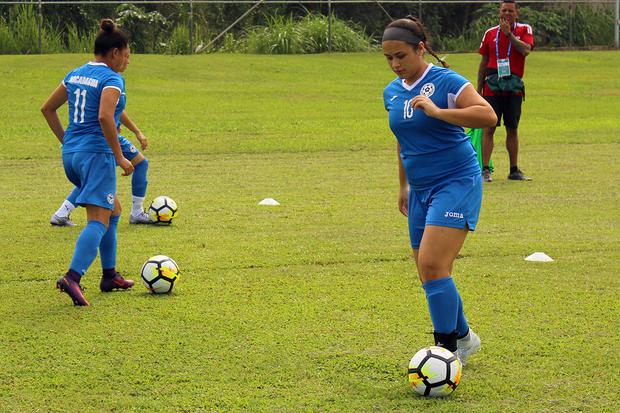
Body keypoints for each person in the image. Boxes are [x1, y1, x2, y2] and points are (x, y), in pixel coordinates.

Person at [382, 16, 497, 364]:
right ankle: (464, 337)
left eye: (401, 55)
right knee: (427, 270)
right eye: (388, 58)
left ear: (420, 49)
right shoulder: (391, 92)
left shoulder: (446, 81)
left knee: (433, 264)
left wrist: (438, 111)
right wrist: (403, 185)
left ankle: (445, 351)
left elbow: (487, 115)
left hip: (456, 181)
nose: (395, 64)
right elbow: (403, 141)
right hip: (419, 189)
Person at [41, 19, 136, 306]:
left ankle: (110, 275)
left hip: (72, 156)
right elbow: (106, 117)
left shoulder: (76, 74)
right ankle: (73, 276)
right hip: (97, 155)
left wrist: (68, 143)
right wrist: (120, 156)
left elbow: (47, 109)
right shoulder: (111, 79)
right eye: (127, 56)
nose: (127, 62)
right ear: (115, 52)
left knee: (113, 209)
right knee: (98, 220)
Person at [50, 112, 153, 226]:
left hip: (83, 139)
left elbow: (116, 108)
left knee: (94, 177)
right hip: (103, 135)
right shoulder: (104, 93)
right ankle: (136, 213)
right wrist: (134, 131)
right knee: (96, 178)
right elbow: (109, 110)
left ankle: (62, 213)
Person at [477, 0, 534, 182]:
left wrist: (509, 35)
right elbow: (484, 61)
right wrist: (478, 87)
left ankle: (514, 170)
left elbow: (525, 50)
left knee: (512, 128)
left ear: (517, 13)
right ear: (499, 13)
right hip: (492, 85)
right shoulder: (490, 33)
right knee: (489, 127)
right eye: (503, 11)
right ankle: (485, 170)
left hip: (513, 85)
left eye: (510, 11)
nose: (506, 14)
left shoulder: (525, 30)